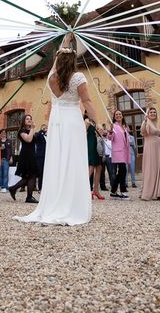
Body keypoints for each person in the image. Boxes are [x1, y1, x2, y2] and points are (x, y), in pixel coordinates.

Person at [14, 32, 97, 225]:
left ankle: (54, 202)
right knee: (73, 158)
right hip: (73, 120)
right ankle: (72, 204)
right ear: (73, 61)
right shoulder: (78, 77)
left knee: (58, 158)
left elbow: (54, 64)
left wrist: (65, 41)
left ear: (58, 60)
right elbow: (87, 101)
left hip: (56, 120)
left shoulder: (51, 77)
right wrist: (97, 121)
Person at [140, 107, 160, 201]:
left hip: (158, 147)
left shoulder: (156, 123)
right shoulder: (146, 122)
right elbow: (143, 131)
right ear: (148, 114)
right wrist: (145, 122)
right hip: (150, 147)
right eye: (151, 112)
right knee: (151, 167)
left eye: (154, 112)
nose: (153, 113)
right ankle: (150, 191)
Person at [9, 114, 40, 203]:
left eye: (30, 118)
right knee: (30, 175)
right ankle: (28, 196)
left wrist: (33, 130)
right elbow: (28, 140)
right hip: (26, 155)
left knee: (31, 175)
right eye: (27, 119)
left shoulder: (30, 130)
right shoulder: (21, 130)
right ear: (23, 121)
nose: (29, 120)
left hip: (32, 154)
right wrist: (33, 129)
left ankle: (14, 189)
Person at [108, 109, 130, 200]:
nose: (118, 115)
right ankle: (123, 191)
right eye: (116, 114)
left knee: (120, 172)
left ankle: (113, 192)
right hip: (118, 152)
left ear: (122, 116)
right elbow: (110, 138)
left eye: (119, 114)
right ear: (114, 117)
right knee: (123, 171)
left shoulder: (124, 127)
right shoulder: (113, 126)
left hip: (124, 152)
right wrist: (110, 131)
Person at [85, 114, 103, 200]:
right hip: (90, 146)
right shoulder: (86, 120)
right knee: (91, 167)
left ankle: (96, 190)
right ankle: (83, 190)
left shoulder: (93, 121)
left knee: (99, 167)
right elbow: (83, 132)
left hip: (94, 145)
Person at [35, 124, 47, 191]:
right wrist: (41, 130)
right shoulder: (39, 135)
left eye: (46, 128)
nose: (45, 129)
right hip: (40, 156)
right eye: (44, 128)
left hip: (47, 157)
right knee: (41, 172)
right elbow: (36, 138)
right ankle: (40, 188)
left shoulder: (48, 136)